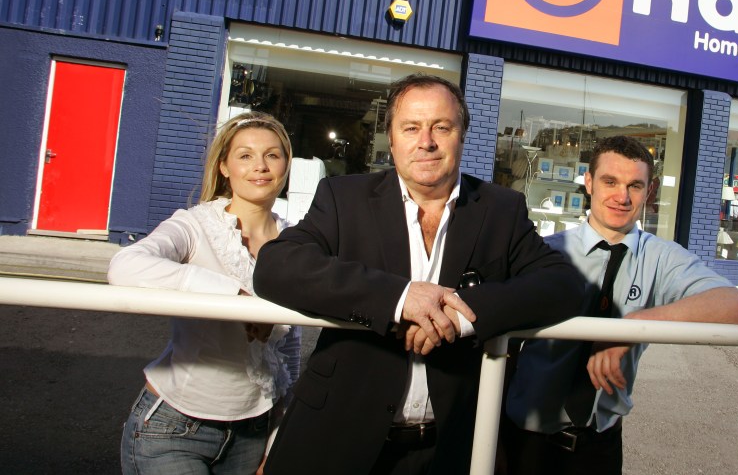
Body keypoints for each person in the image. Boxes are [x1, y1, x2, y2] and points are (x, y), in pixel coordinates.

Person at [253, 73, 584, 475]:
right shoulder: (345, 198)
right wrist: (399, 298)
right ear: (391, 139)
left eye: (441, 127)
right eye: (411, 127)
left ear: (462, 135)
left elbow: (562, 285)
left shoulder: (501, 209)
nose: (425, 141)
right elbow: (276, 266)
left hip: (445, 451)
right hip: (336, 439)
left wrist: (462, 314)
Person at [503, 135, 738, 475]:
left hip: (598, 449)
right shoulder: (544, 251)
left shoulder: (662, 258)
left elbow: (735, 306)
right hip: (523, 443)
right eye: (610, 182)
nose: (622, 197)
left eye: (635, 186)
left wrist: (631, 327)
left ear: (649, 193)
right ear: (589, 183)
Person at [108, 111, 301, 475]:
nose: (260, 166)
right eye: (245, 155)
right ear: (225, 167)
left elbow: (287, 353)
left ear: (286, 164)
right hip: (173, 429)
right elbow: (125, 266)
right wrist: (235, 298)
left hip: (252, 434)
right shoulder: (195, 224)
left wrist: (277, 439)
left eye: (272, 155)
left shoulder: (297, 241)